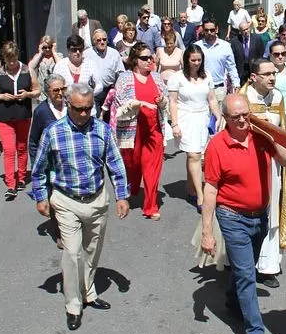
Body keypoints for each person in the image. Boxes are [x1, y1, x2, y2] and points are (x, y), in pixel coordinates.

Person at [199, 94, 286, 334]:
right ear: (226, 119)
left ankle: (232, 300)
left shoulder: (261, 137)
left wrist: (272, 133)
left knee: (246, 269)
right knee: (246, 273)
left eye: (246, 115)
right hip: (232, 217)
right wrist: (207, 231)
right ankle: (255, 333)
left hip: (260, 216)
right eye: (235, 117)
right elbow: (210, 191)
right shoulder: (217, 146)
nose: (242, 121)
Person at [29, 82, 130, 331]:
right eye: (78, 109)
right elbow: (39, 169)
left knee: (92, 250)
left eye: (88, 109)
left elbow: (115, 165)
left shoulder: (103, 131)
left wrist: (122, 196)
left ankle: (88, 292)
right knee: (72, 253)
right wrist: (41, 197)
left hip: (96, 200)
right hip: (66, 201)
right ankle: (73, 305)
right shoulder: (53, 132)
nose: (83, 114)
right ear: (68, 104)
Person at [240, 58, 286, 289]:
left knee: (271, 213)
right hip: (248, 164)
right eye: (267, 74)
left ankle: (268, 266)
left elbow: (285, 131)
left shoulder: (278, 97)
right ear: (254, 77)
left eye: (274, 73)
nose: (272, 77)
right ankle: (244, 263)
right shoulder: (243, 98)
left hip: (273, 166)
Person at [111, 42, 167, 220]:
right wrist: (141, 103)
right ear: (135, 60)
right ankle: (131, 187)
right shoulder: (125, 78)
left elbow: (164, 103)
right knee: (132, 165)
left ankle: (151, 206)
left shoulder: (157, 77)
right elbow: (123, 104)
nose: (149, 60)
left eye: (150, 57)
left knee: (152, 169)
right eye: (144, 58)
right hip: (132, 131)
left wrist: (160, 101)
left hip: (153, 129)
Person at [168, 45, 220, 211]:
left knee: (196, 156)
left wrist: (217, 115)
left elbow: (211, 98)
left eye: (199, 60)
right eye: (193, 60)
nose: (196, 63)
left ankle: (190, 189)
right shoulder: (177, 78)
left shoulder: (207, 76)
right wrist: (174, 123)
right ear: (186, 60)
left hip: (203, 118)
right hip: (185, 118)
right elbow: (173, 102)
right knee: (193, 155)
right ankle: (200, 196)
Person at [0, 41, 40, 200]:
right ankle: (11, 183)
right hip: (4, 116)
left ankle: (22, 177)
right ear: (4, 58)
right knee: (10, 150)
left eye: (14, 58)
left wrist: (27, 94)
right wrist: (2, 96)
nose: (11, 63)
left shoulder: (28, 70)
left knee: (22, 147)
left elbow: (37, 91)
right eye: (8, 59)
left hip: (23, 114)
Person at [28, 74, 68, 249]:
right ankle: (60, 233)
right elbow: (33, 141)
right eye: (56, 90)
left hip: (71, 161)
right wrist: (37, 165)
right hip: (51, 164)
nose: (60, 93)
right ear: (47, 92)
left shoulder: (72, 105)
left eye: (63, 89)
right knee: (55, 199)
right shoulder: (41, 112)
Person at [194, 18, 239, 105]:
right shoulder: (197, 46)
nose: (209, 32)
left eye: (212, 30)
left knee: (219, 117)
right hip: (201, 87)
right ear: (203, 30)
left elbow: (231, 67)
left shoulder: (225, 46)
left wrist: (236, 84)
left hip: (219, 89)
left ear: (217, 29)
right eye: (206, 30)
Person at [84, 29, 125, 113]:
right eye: (99, 40)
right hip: (94, 92)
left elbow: (121, 74)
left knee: (110, 120)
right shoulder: (86, 54)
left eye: (104, 39)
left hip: (109, 91)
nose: (102, 42)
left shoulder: (114, 53)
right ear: (94, 42)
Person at [53, 35, 98, 102]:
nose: (77, 52)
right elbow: (54, 86)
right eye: (74, 50)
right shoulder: (60, 65)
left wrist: (89, 96)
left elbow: (99, 85)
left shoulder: (90, 64)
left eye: (80, 49)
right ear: (68, 50)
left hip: (86, 105)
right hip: (66, 105)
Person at [27, 35, 63, 103]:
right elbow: (30, 66)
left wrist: (54, 52)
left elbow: (61, 65)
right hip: (42, 94)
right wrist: (40, 53)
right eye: (45, 47)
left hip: (55, 91)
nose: (47, 49)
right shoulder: (38, 57)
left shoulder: (58, 55)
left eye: (49, 47)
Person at [230, 19, 265, 83]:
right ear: (240, 31)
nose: (246, 31)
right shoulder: (235, 41)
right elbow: (232, 57)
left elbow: (261, 54)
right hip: (241, 70)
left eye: (247, 29)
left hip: (253, 69)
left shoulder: (257, 39)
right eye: (243, 30)